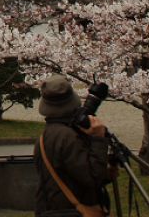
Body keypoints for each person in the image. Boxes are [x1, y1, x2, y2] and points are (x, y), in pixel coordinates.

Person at [33, 75, 116, 217]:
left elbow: (70, 173)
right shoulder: (67, 137)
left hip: (52, 209)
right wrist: (98, 139)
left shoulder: (46, 136)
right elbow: (92, 177)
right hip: (72, 211)